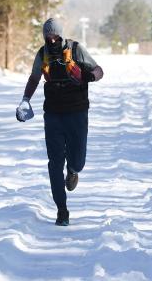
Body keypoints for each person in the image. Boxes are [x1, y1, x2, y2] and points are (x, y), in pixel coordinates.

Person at [16, 18, 104, 226]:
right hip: (53, 115)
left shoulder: (76, 49)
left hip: (77, 113)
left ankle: (73, 171)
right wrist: (25, 101)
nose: (52, 39)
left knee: (78, 161)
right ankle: (62, 211)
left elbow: (99, 71)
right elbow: (34, 78)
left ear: (61, 35)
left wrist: (85, 77)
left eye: (55, 35)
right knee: (55, 164)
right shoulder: (42, 54)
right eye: (48, 36)